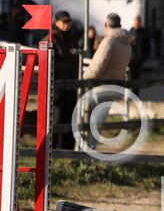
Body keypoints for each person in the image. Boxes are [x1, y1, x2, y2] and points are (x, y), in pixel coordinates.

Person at [83, 13, 133, 147]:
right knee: (99, 120)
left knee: (88, 118)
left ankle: (86, 149)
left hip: (100, 86)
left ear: (106, 25)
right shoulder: (127, 44)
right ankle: (92, 147)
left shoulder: (109, 41)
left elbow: (97, 66)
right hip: (116, 86)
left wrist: (83, 79)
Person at [45, 11, 78, 149]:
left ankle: (67, 149)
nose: (67, 24)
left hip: (70, 84)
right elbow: (46, 61)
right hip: (56, 85)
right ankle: (51, 148)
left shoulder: (72, 38)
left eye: (68, 21)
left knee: (69, 116)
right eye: (64, 22)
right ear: (57, 22)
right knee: (55, 117)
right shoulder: (50, 39)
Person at [128, 15, 150, 95]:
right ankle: (130, 93)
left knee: (138, 77)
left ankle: (136, 93)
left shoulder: (144, 33)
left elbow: (147, 46)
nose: (136, 24)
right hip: (131, 60)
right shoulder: (130, 33)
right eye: (135, 22)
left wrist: (146, 56)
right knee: (131, 77)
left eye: (138, 23)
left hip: (140, 59)